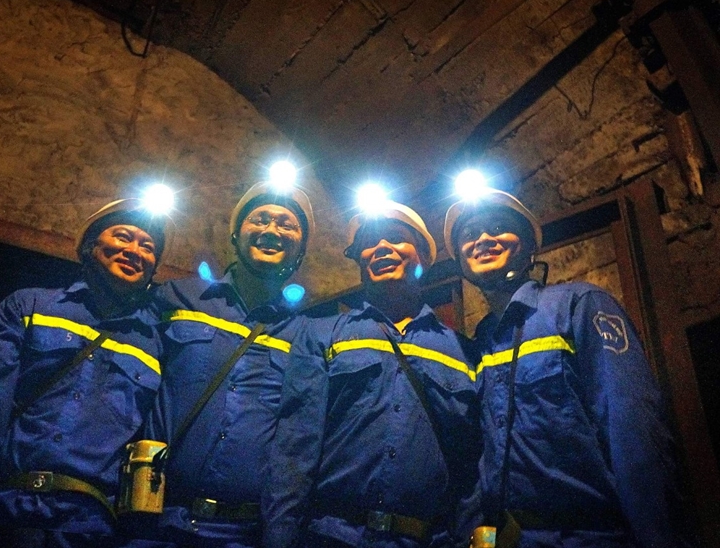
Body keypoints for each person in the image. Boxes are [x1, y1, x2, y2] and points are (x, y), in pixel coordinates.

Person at [442, 188, 692, 548]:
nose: (482, 239)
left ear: (530, 246)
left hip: (589, 535)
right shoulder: (480, 341)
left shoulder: (579, 306)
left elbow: (633, 431)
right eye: (469, 234)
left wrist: (659, 537)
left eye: (497, 228)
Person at [0, 199, 169, 546]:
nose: (135, 251)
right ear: (89, 246)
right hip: (3, 509)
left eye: (148, 247)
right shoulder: (30, 306)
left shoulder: (157, 346)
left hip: (92, 525)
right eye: (123, 236)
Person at [262, 201, 481, 548]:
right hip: (333, 537)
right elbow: (294, 449)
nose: (381, 247)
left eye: (395, 237)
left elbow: (470, 465)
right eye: (368, 243)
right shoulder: (322, 335)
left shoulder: (463, 352)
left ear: (424, 257)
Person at [139, 181, 315, 547]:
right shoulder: (176, 298)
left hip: (244, 534)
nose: (272, 230)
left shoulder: (306, 335)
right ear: (235, 234)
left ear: (300, 250)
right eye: (260, 219)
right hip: (155, 523)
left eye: (287, 224)